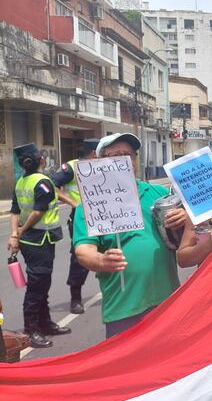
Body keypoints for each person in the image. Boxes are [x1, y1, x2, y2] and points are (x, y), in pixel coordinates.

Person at [73, 133, 187, 338]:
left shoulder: (157, 193)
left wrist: (182, 218)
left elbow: (184, 235)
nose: (123, 161)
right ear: (99, 161)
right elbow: (83, 250)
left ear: (135, 160)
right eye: (115, 155)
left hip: (167, 300)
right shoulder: (89, 205)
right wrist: (101, 260)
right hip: (124, 308)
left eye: (128, 155)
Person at [6, 143, 69, 348]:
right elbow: (38, 212)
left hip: (30, 241)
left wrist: (15, 235)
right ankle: (31, 330)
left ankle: (45, 323)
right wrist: (20, 232)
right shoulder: (43, 182)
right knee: (37, 286)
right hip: (39, 239)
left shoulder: (20, 182)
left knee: (41, 284)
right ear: (41, 160)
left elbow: (14, 211)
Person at [51, 138, 100, 314]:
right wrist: (73, 203)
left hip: (105, 216)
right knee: (80, 258)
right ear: (94, 153)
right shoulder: (72, 167)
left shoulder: (104, 166)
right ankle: (76, 299)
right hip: (81, 219)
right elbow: (51, 186)